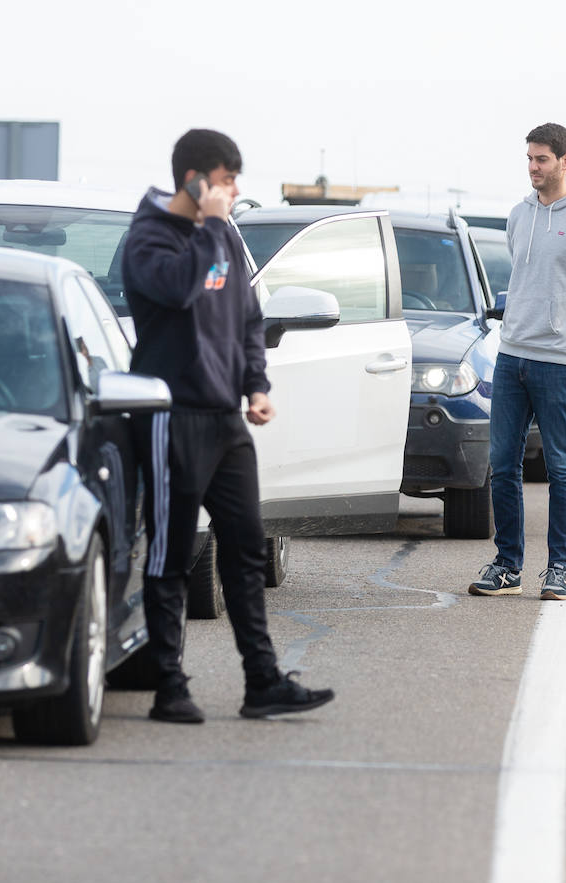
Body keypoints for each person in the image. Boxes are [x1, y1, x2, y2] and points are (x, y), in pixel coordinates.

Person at [123, 128, 334, 723]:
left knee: (245, 548)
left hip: (224, 420)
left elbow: (247, 317)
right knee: (170, 552)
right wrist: (213, 229)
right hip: (171, 417)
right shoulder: (148, 238)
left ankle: (262, 682)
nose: (233, 190)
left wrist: (256, 385)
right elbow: (181, 289)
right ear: (194, 179)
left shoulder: (222, 235)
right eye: (225, 179)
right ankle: (168, 686)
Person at [469, 122, 566, 601]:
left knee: (560, 466)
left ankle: (559, 567)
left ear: (565, 160)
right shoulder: (518, 215)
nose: (534, 168)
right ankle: (507, 565)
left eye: (542, 159)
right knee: (502, 463)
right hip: (512, 356)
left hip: (560, 362)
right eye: (530, 159)